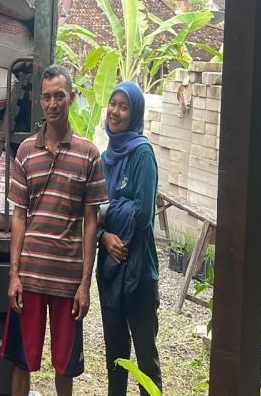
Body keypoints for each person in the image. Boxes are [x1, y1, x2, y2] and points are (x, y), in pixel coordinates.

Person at [1, 64, 108, 396]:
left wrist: (84, 284)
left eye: (59, 96)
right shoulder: (26, 152)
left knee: (66, 366)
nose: (52, 104)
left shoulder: (89, 154)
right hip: (30, 277)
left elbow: (92, 222)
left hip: (67, 281)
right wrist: (14, 276)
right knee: (21, 361)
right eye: (46, 97)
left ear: (71, 98)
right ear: (40, 101)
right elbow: (18, 217)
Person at [97, 81, 162, 395]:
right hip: (110, 269)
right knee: (115, 358)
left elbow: (143, 213)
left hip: (139, 272)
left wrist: (106, 213)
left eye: (124, 107)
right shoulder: (104, 158)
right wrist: (103, 236)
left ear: (134, 113)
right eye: (113, 103)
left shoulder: (142, 155)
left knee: (146, 359)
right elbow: (89, 212)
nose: (115, 112)